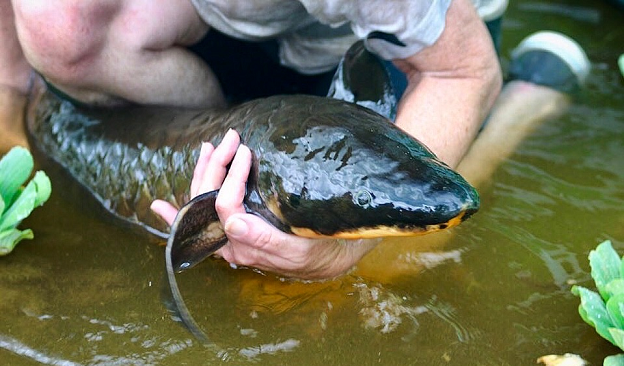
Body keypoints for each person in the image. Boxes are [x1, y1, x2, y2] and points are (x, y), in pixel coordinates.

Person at [0, 0, 585, 280]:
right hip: (230, 32)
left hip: (418, 49)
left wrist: (339, 255)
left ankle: (524, 103)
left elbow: (462, 72)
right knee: (58, 21)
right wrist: (13, 96)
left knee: (391, 265)